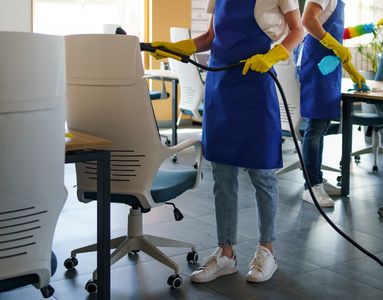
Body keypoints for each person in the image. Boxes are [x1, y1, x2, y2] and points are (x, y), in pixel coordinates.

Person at [150, 0, 303, 283]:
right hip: (220, 87)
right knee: (222, 174)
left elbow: (298, 30)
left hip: (256, 84)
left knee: (262, 173)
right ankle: (226, 254)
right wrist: (178, 47)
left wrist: (273, 55)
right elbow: (210, 37)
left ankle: (267, 250)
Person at [300, 0, 366, 208]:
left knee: (323, 125)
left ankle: (317, 179)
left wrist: (353, 71)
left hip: (328, 65)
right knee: (316, 126)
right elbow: (308, 20)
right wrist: (335, 45)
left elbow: (336, 33)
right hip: (318, 62)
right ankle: (311, 185)